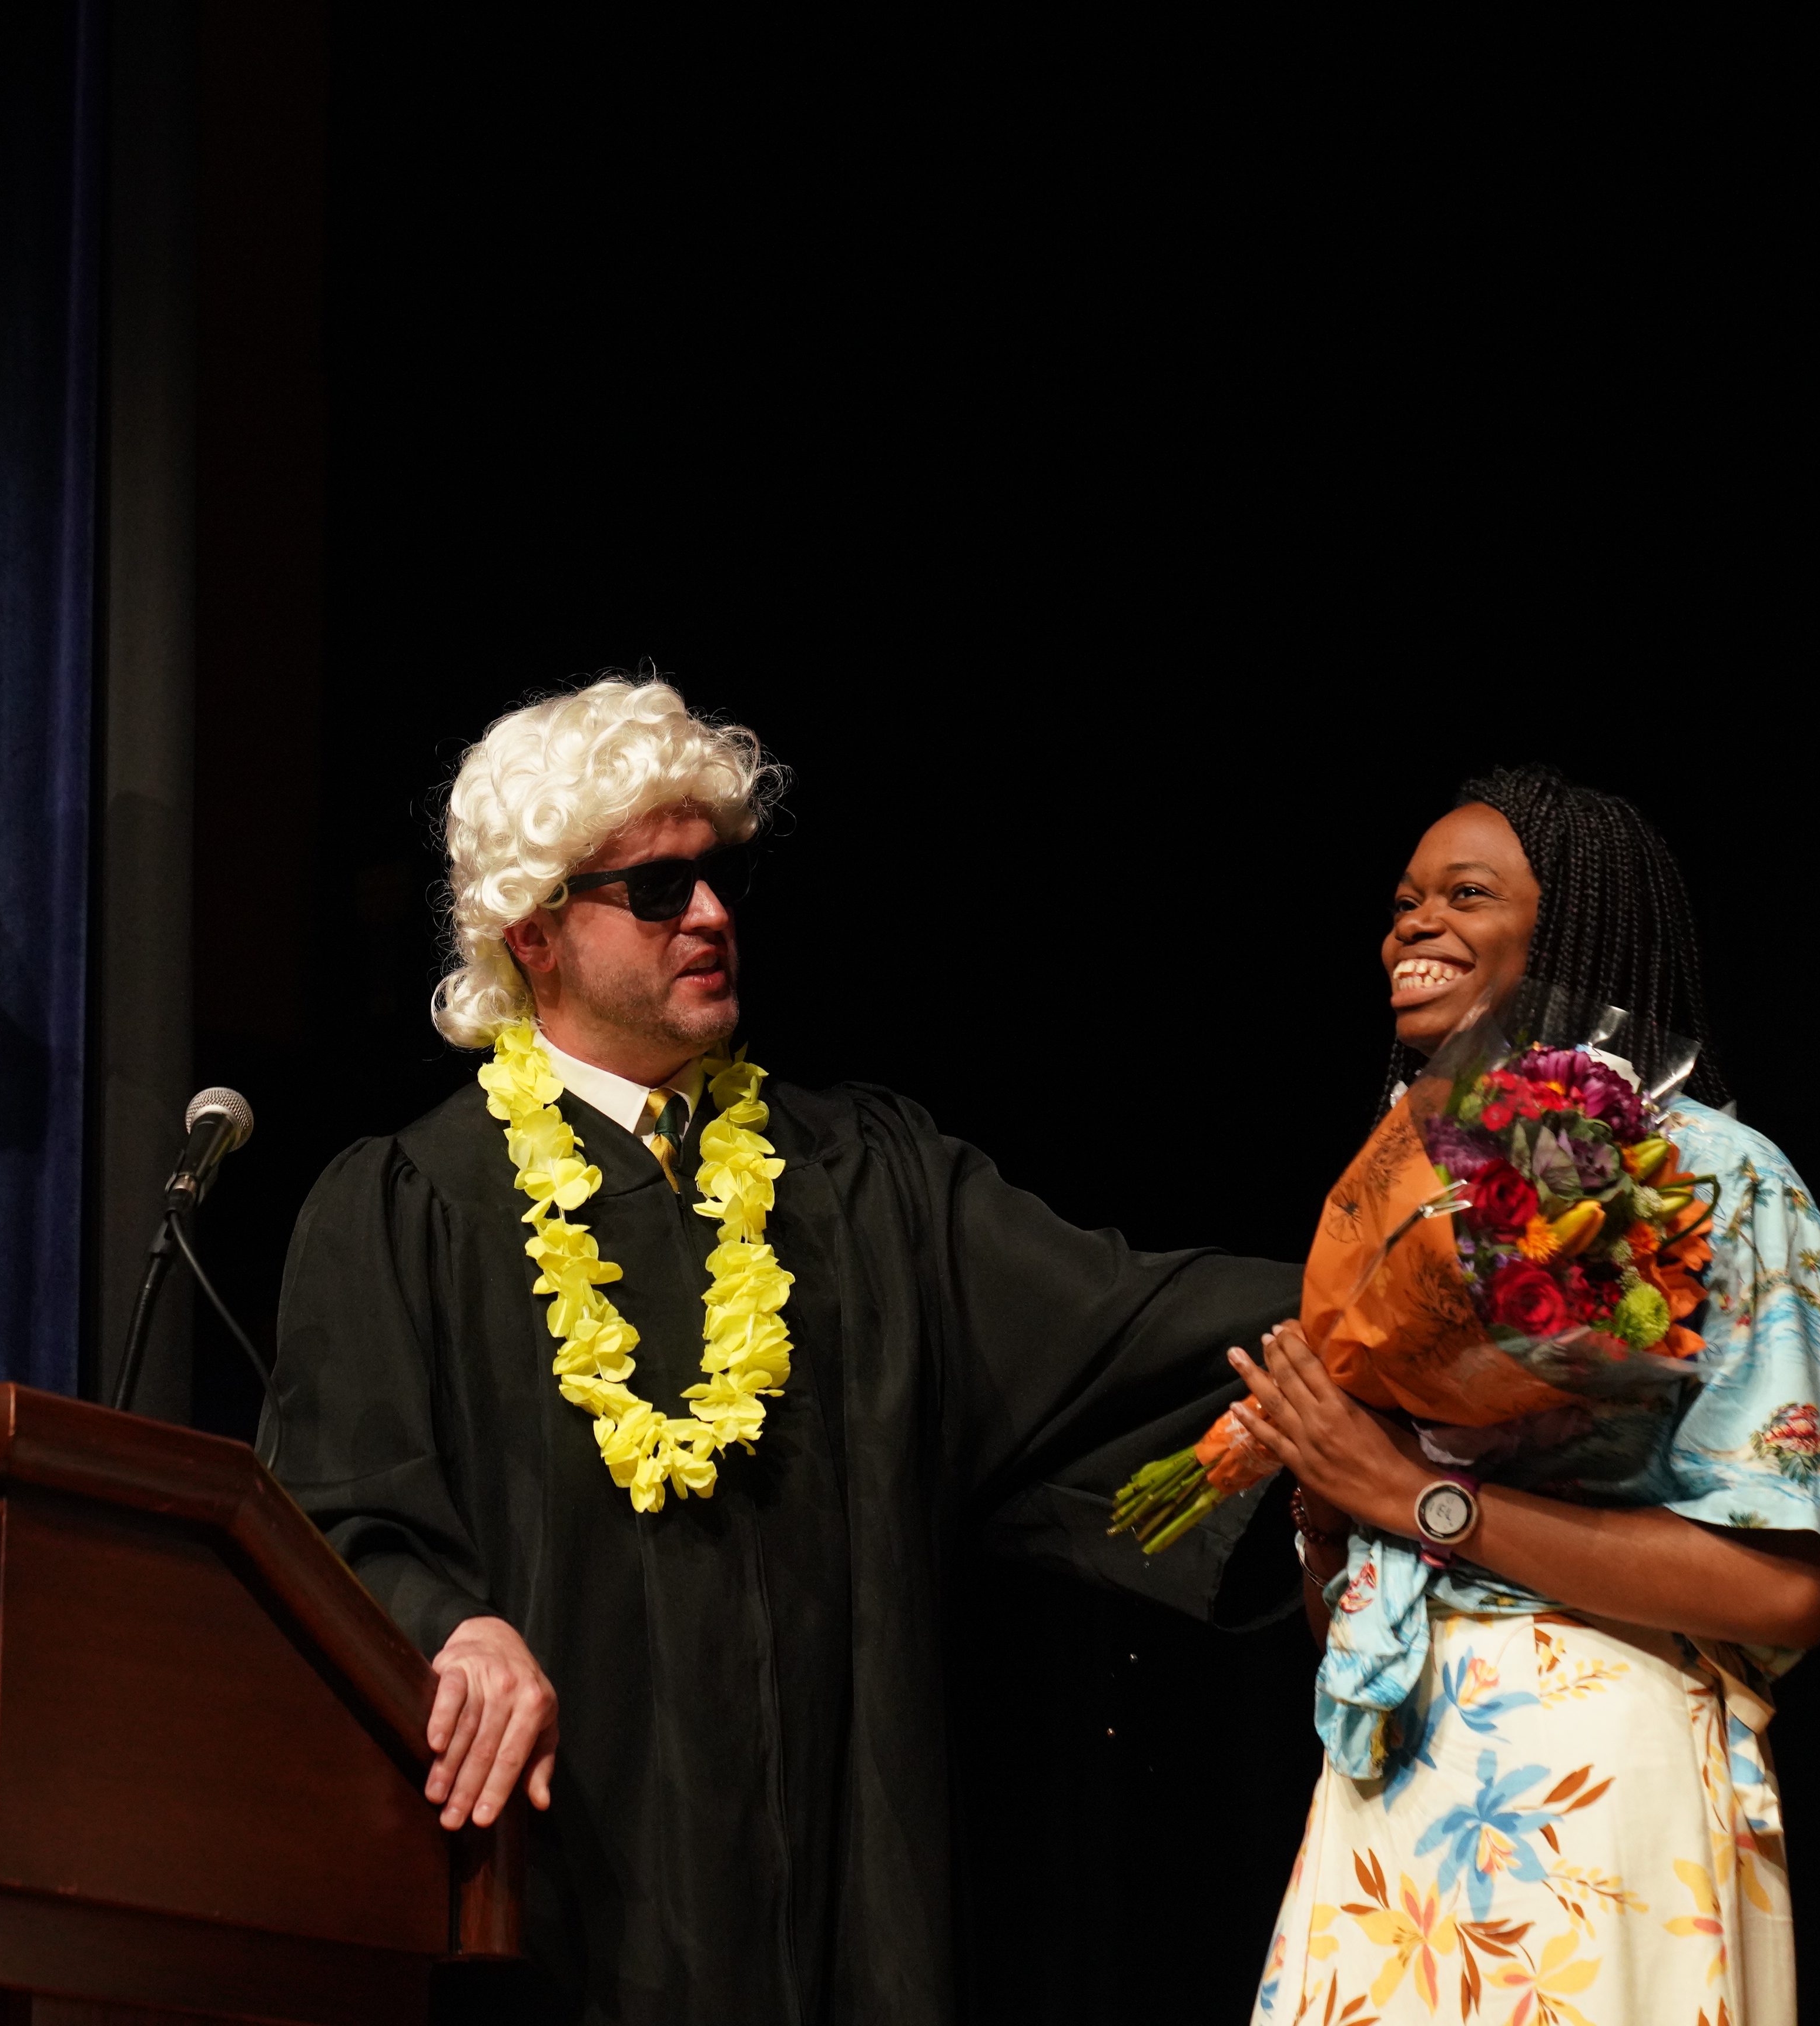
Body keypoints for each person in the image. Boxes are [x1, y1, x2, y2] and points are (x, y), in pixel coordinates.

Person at [265, 675, 1300, 2025]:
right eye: (653, 890)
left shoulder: (862, 1179)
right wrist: (451, 1629)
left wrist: (1400, 1285)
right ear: (533, 929)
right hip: (564, 1892)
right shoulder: (410, 1204)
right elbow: (335, 1513)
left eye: (721, 873)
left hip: (848, 1893)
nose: (708, 914)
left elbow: (1122, 1318)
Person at [1238, 766, 1820, 2025]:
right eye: (1405, 898)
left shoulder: (1714, 1175)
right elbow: (1371, 1580)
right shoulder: (1404, 1187)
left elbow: (1789, 1581)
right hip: (1394, 1767)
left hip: (1593, 1773)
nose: (1411, 923)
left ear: (1572, 926)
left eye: (1466, 892)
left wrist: (1420, 1500)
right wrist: (1330, 1502)